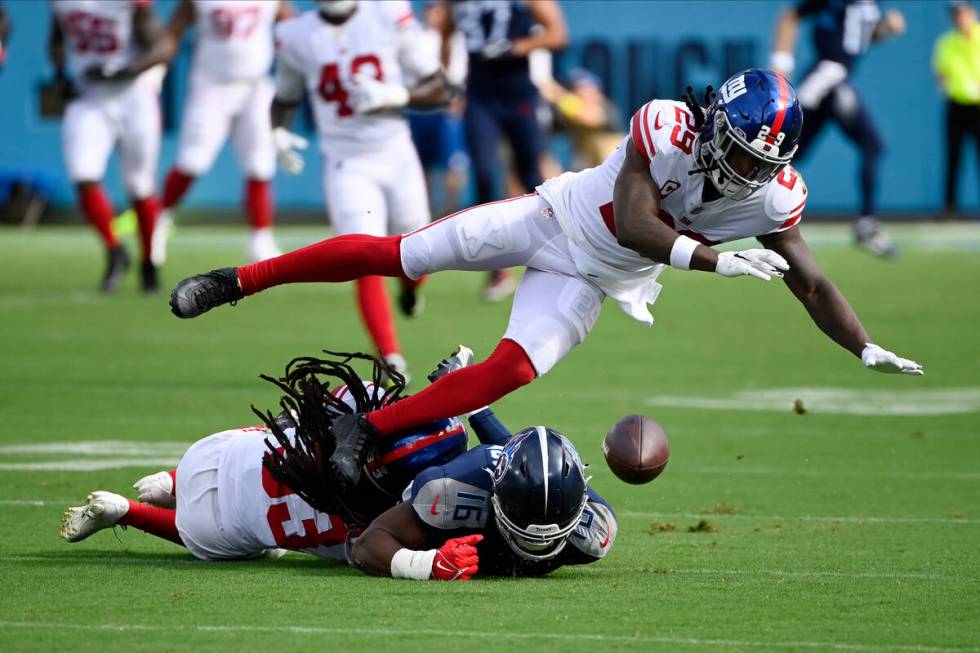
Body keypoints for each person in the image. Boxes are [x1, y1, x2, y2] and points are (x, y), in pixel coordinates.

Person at [170, 69, 923, 492]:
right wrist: (715, 258)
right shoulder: (666, 124)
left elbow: (814, 284)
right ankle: (239, 279)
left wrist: (861, 346)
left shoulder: (776, 197)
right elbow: (634, 222)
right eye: (732, 145)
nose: (740, 167)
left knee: (510, 370)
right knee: (401, 253)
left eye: (756, 158)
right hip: (554, 219)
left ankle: (365, 431)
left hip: (595, 280)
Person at [59, 346, 510, 562]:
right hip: (218, 529)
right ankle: (128, 513)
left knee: (289, 432)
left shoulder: (368, 404)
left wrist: (447, 393)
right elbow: (370, 550)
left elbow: (326, 405)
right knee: (250, 542)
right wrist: (426, 560)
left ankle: (171, 481)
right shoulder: (384, 517)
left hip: (217, 450)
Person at [269, 0, 451, 383]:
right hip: (346, 162)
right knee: (362, 253)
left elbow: (442, 87)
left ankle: (411, 288)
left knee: (419, 250)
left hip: (397, 153)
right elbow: (285, 95)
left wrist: (396, 95)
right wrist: (279, 132)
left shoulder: (387, 14)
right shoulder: (296, 34)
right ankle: (390, 355)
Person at [432, 0, 568, 302]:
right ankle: (496, 267)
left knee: (532, 174)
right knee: (482, 172)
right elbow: (445, 32)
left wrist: (518, 46)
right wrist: (448, 80)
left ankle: (551, 256)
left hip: (517, 93)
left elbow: (558, 34)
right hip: (480, 96)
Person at [351, 425, 616, 580]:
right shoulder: (453, 490)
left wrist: (481, 412)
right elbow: (366, 544)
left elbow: (512, 449)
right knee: (439, 436)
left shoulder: (596, 530)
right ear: (494, 490)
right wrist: (428, 564)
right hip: (365, 510)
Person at [149, 0, 295, 265]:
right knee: (192, 161)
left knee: (260, 165)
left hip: (255, 85)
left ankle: (261, 240)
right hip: (212, 86)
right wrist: (158, 68)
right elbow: (174, 30)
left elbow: (296, 27)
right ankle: (159, 218)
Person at [48, 0, 169, 292]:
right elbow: (57, 39)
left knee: (139, 184)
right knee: (83, 174)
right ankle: (116, 251)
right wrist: (61, 75)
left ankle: (148, 261)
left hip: (133, 95)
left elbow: (160, 48)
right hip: (89, 96)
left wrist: (123, 71)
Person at [770, 0, 906, 257]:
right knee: (786, 151)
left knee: (791, 154)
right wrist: (781, 64)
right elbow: (790, 16)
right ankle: (866, 224)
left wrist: (885, 29)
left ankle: (866, 224)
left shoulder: (872, 4)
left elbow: (858, 36)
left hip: (836, 79)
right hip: (825, 78)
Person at [933, 0, 980, 217]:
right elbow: (941, 73)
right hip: (957, 105)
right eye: (956, 15)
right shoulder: (946, 43)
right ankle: (950, 207)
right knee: (953, 157)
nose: (961, 19)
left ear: (972, 14)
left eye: (963, 14)